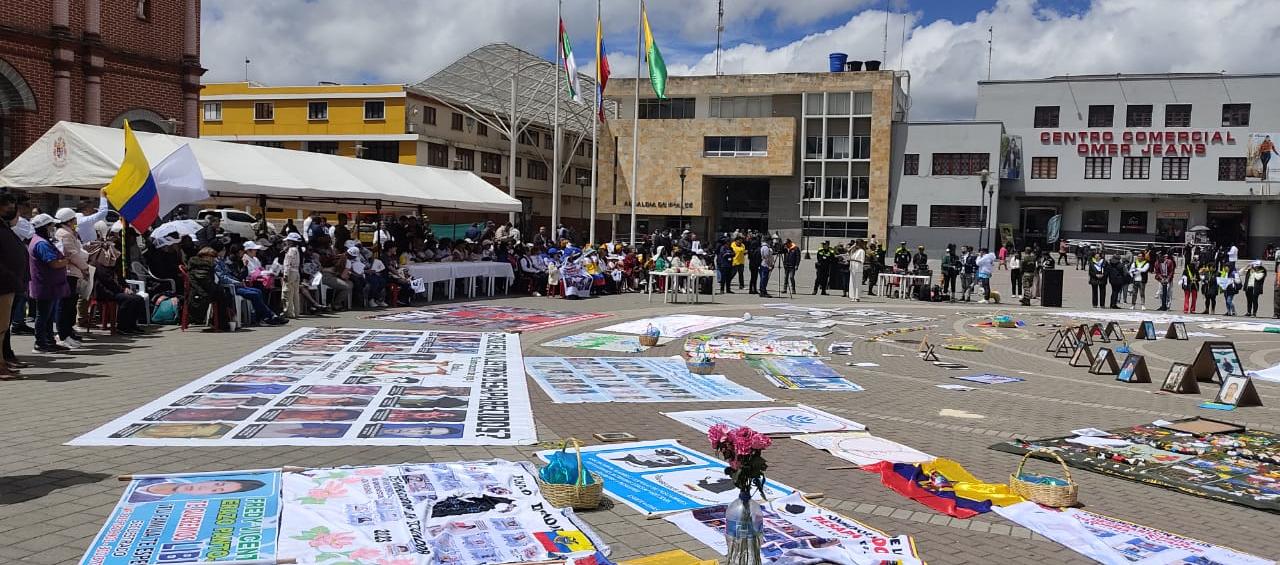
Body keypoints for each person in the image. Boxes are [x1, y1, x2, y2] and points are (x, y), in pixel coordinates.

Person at [27, 214, 69, 352]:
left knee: (48, 316)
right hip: (45, 285)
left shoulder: (41, 241)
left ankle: (49, 341)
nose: (53, 228)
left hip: (49, 285)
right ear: (45, 227)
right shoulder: (41, 244)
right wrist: (66, 261)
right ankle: (40, 342)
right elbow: (54, 263)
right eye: (51, 225)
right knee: (43, 315)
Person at [52, 208, 89, 348]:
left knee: (70, 306)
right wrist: (85, 267)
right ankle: (63, 334)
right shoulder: (65, 234)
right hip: (69, 273)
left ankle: (67, 332)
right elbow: (73, 254)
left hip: (73, 272)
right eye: (74, 220)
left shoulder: (68, 233)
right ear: (68, 220)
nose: (75, 222)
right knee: (65, 305)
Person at [0, 193, 27, 377]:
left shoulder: (4, 226)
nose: (12, 208)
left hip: (9, 285)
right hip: (3, 283)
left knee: (2, 329)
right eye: (8, 205)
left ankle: (2, 361)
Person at [281, 233, 302, 319]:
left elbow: (287, 264)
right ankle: (296, 312)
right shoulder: (297, 250)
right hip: (296, 272)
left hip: (290, 272)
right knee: (295, 293)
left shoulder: (291, 250)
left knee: (287, 292)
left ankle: (288, 312)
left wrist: (286, 274)